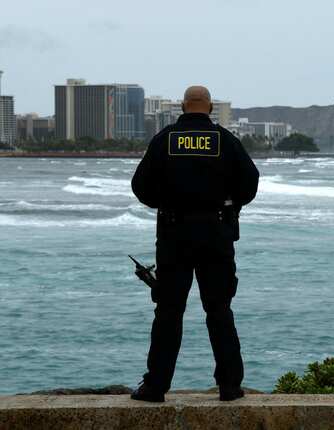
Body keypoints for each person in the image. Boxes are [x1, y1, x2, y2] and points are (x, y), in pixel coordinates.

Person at [130, 85, 259, 402]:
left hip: (174, 235)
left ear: (183, 108)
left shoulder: (165, 140)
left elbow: (140, 185)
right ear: (210, 107)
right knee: (219, 309)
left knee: (169, 311)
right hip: (216, 233)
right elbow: (250, 181)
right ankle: (229, 386)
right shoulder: (225, 141)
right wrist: (230, 205)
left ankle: (156, 386)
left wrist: (166, 204)